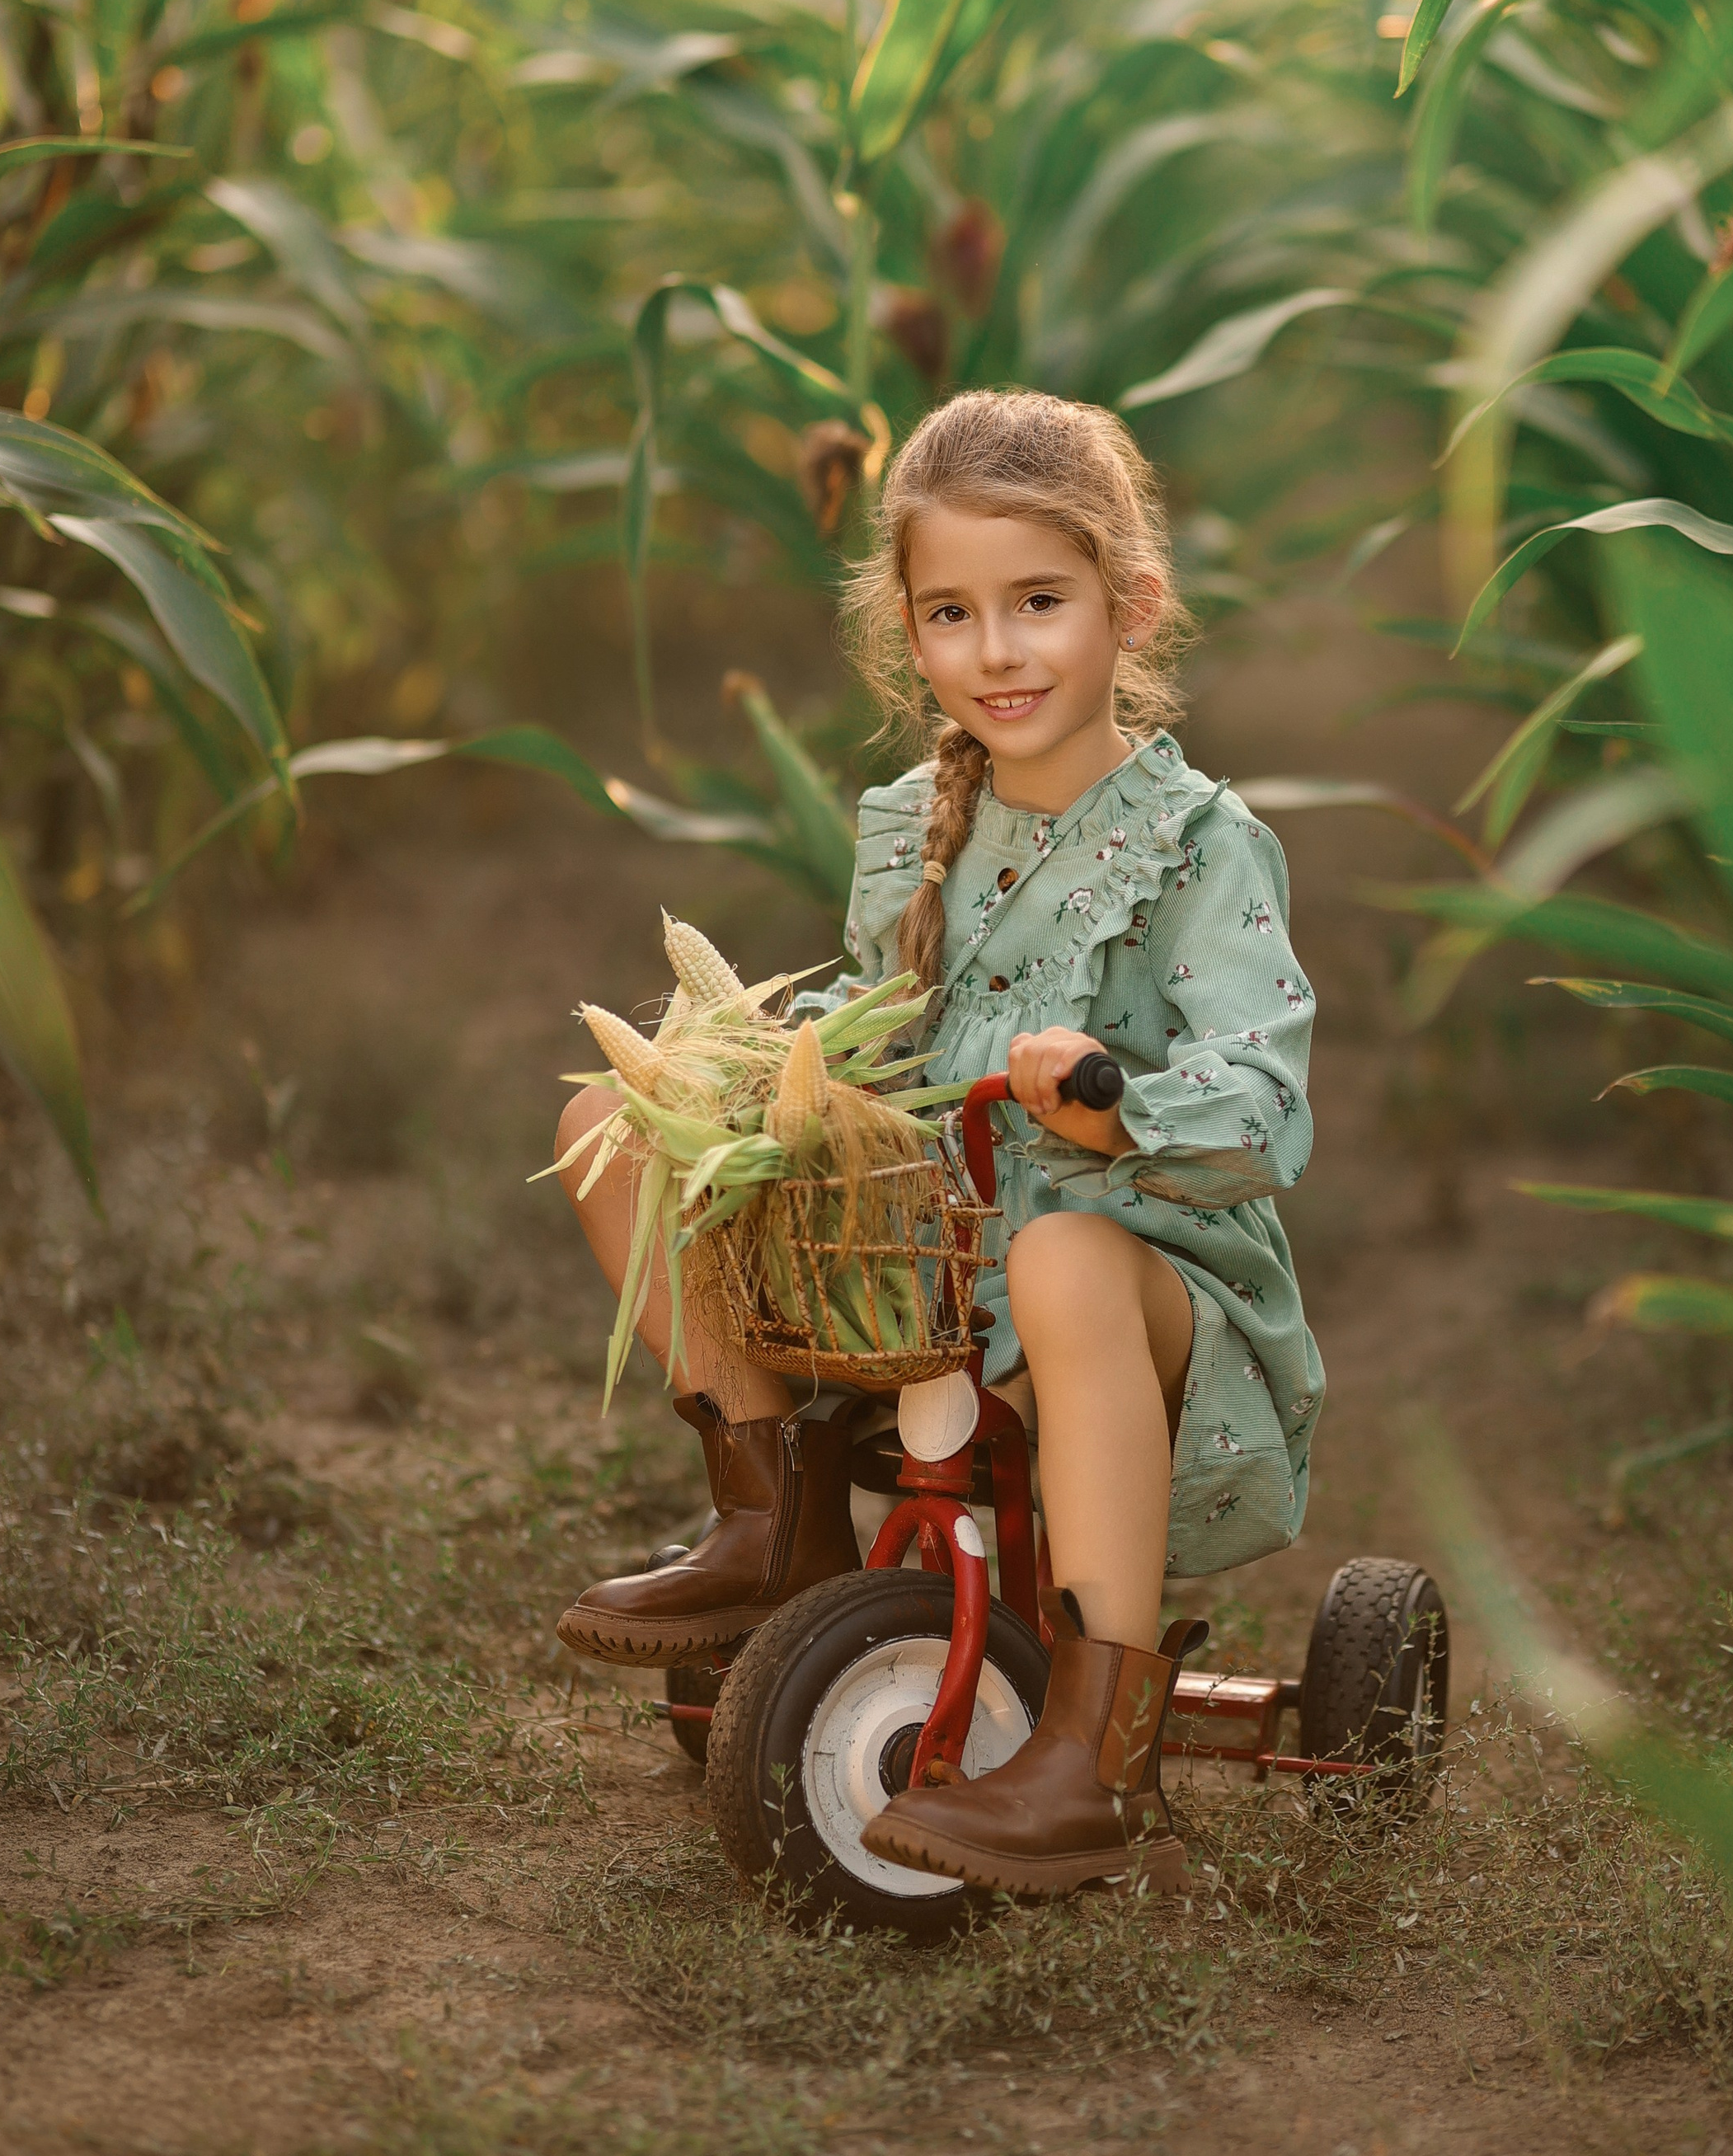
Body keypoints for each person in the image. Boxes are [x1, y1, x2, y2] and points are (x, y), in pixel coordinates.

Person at [553, 389, 1324, 1895]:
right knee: (603, 1124)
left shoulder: (1197, 843)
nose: (999, 651)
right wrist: (768, 1071)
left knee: (1061, 1249)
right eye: (953, 613)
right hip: (914, 1267)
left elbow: (1267, 1093)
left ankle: (1090, 1746)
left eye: (1040, 603)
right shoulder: (917, 820)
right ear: (908, 631)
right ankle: (777, 1525)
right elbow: (887, 1022)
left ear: (1130, 601)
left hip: (1133, 1282)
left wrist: (1108, 1101)